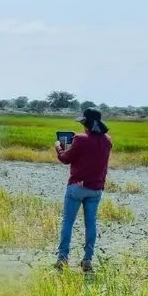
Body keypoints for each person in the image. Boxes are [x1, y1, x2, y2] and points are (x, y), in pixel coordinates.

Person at [54, 107, 113, 271]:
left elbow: (65, 159)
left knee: (68, 222)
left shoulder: (80, 138)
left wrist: (59, 147)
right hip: (96, 189)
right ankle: (87, 260)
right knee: (91, 223)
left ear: (85, 122)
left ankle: (62, 258)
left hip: (77, 187)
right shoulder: (107, 141)